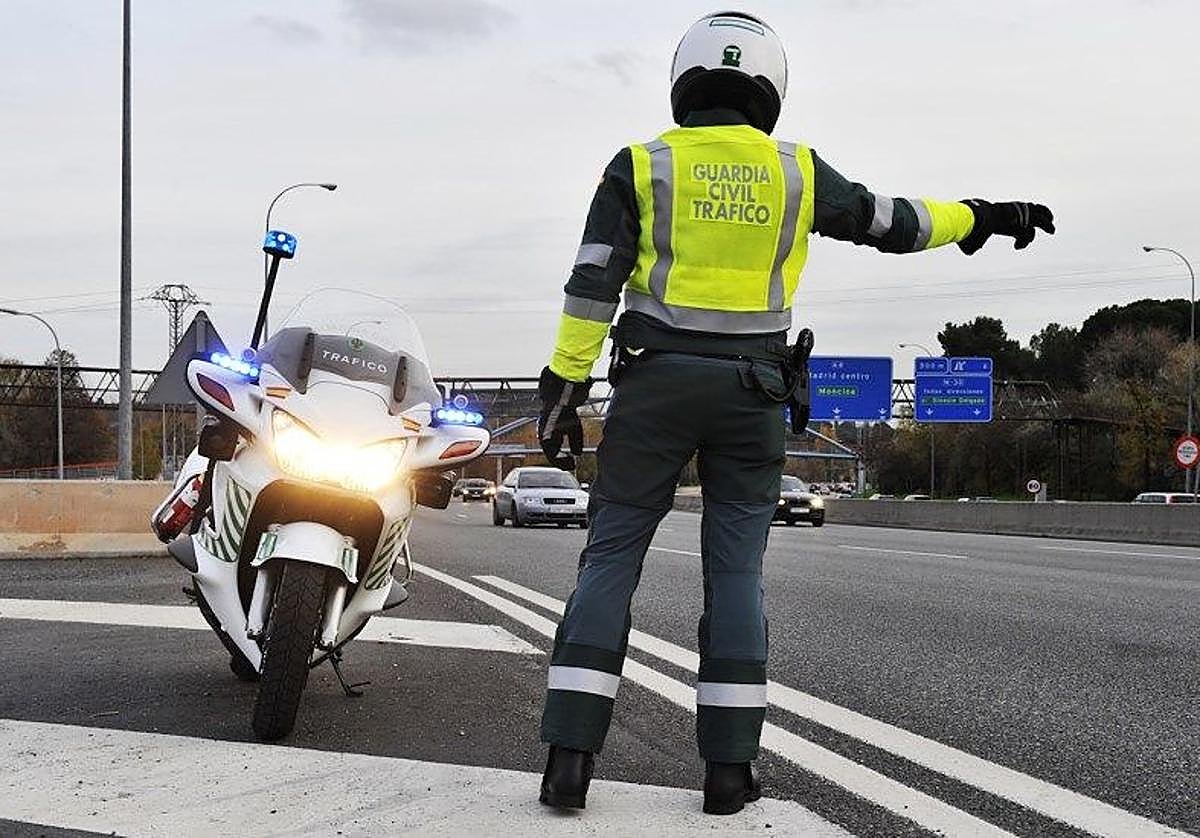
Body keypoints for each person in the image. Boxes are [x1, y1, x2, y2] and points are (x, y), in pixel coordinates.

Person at [535, 10, 1054, 816]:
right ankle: (729, 773)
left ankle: (570, 759)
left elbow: (593, 282)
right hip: (753, 398)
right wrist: (984, 216)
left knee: (609, 561)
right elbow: (894, 221)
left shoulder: (641, 164)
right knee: (735, 575)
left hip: (654, 388)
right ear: (770, 87)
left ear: (684, 81)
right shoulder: (797, 170)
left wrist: (563, 392)